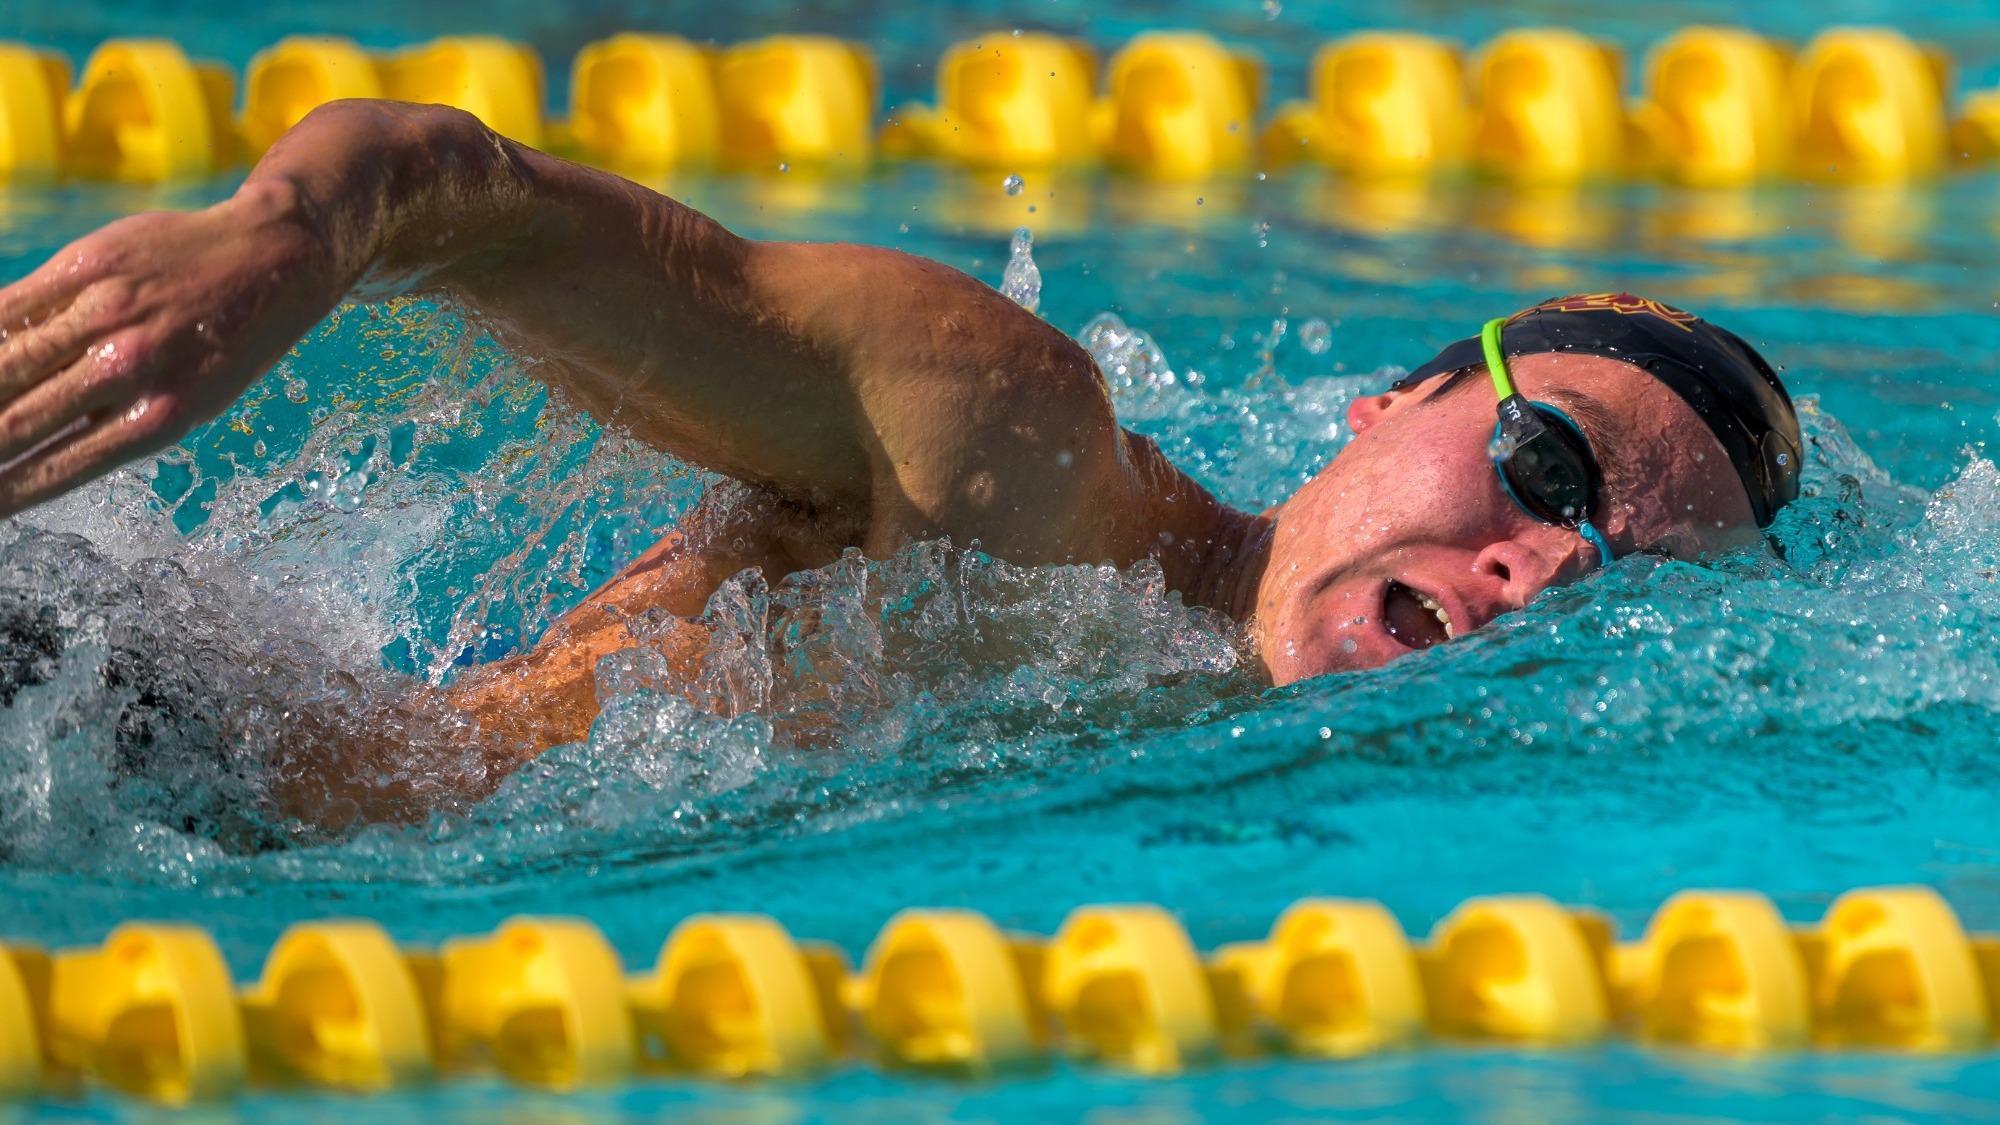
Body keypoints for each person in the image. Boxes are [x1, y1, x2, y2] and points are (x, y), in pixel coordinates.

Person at [0, 101, 1801, 820]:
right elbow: (464, 196)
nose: (1548, 569)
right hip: (127, 719)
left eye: (1616, 583)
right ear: (1386, 409)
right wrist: (286, 233)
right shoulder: (1027, 459)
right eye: (1550, 473)